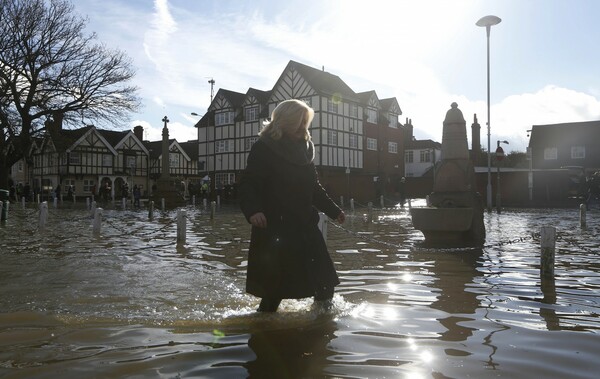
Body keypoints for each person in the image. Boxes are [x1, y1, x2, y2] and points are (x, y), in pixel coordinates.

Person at [239, 99, 345, 313]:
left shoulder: (306, 149)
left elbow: (313, 187)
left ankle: (321, 326)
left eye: (305, 122)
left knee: (324, 283)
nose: (302, 127)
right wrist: (253, 211)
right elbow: (249, 183)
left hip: (304, 226)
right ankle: (263, 328)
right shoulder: (264, 147)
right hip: (274, 227)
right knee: (274, 291)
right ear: (284, 121)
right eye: (298, 121)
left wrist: (334, 211)